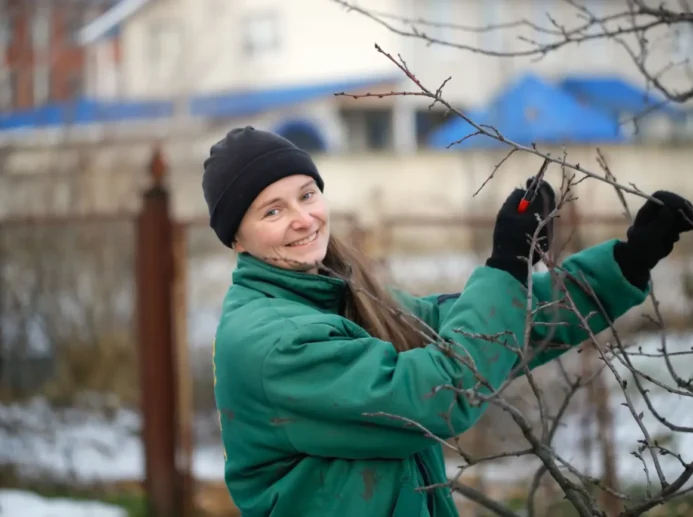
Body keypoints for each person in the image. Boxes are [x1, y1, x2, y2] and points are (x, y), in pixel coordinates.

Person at [202, 126, 693, 517]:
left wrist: (625, 265)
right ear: (237, 240)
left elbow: (478, 331)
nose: (304, 219)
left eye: (307, 195)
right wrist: (506, 266)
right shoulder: (276, 343)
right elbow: (443, 391)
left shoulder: (336, 295)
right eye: (273, 210)